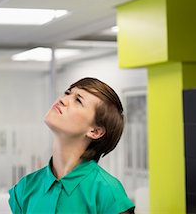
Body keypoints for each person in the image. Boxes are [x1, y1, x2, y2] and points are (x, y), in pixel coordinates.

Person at [8, 77, 135, 214]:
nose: (63, 99)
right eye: (68, 93)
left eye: (78, 100)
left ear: (95, 131)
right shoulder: (25, 187)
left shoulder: (107, 192)